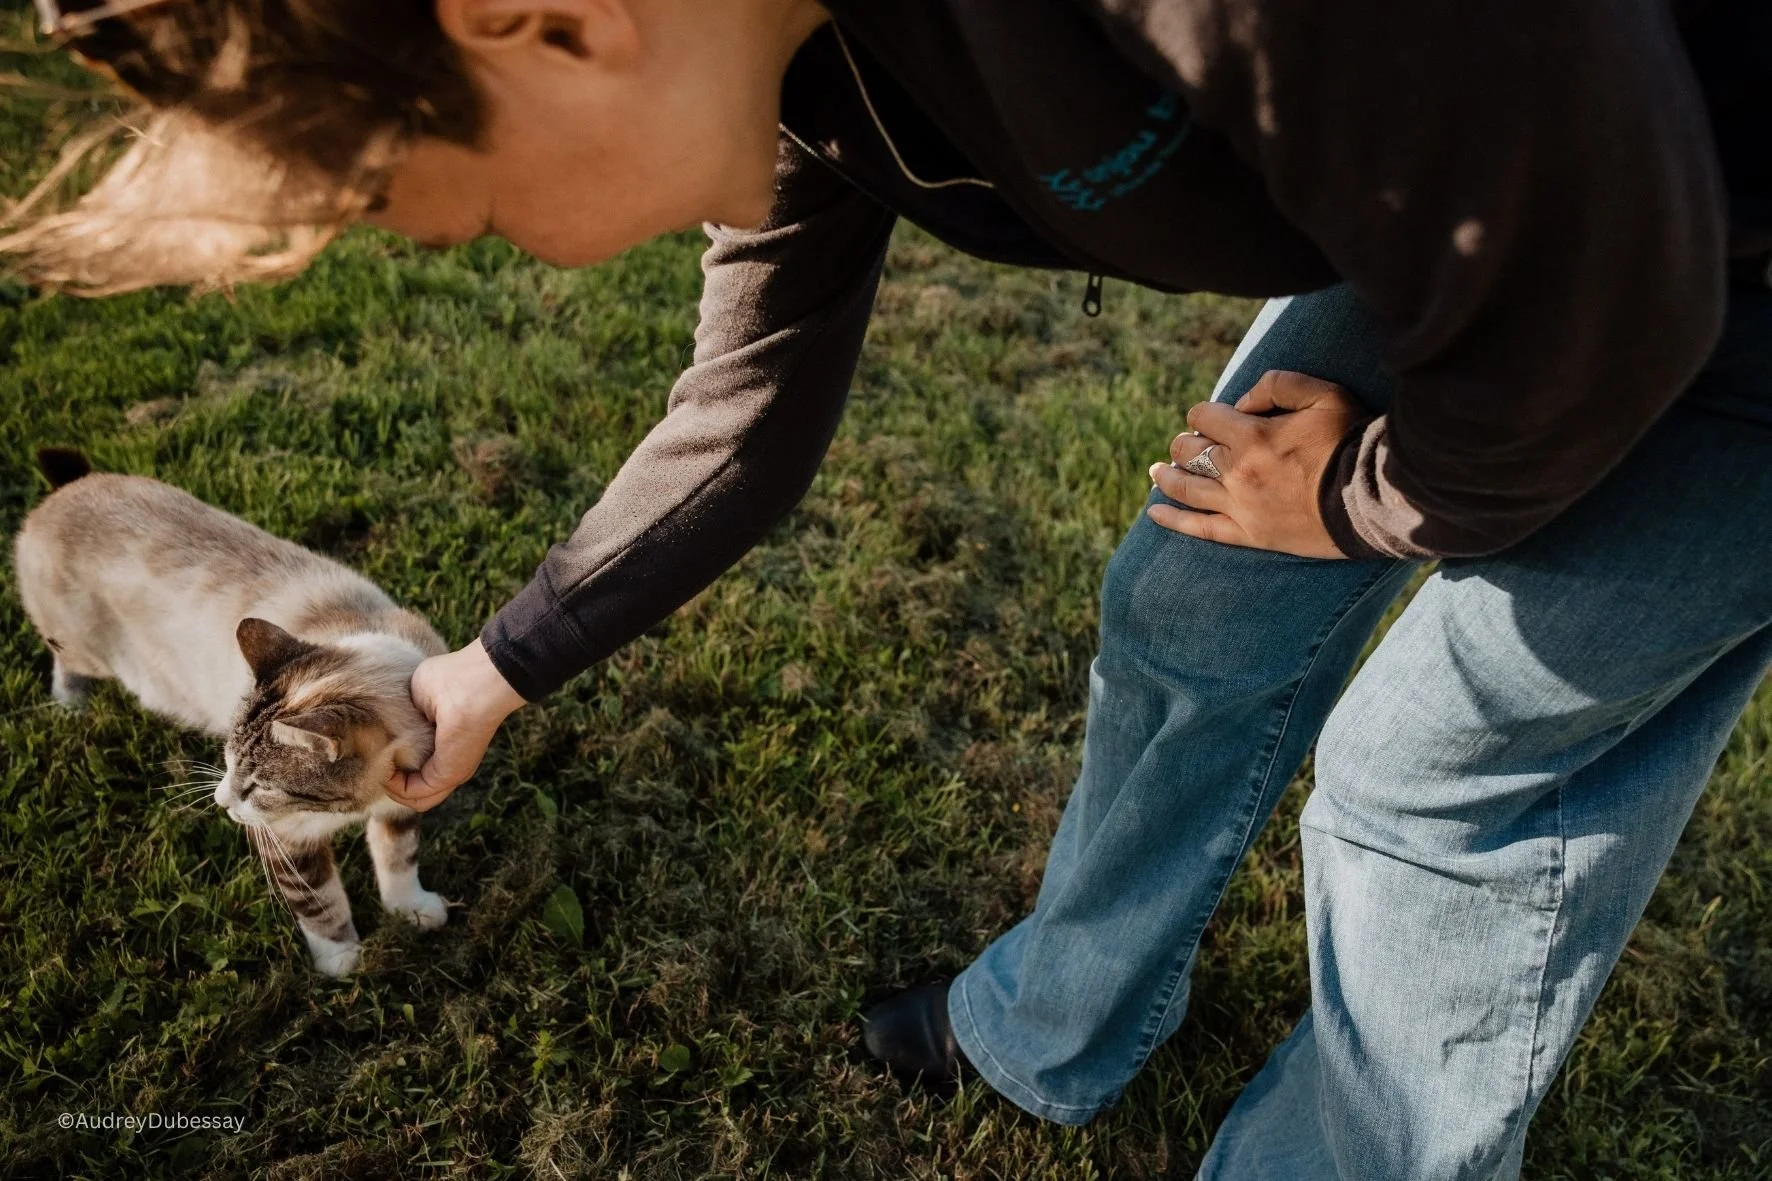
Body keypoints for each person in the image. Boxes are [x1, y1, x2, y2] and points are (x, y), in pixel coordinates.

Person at [8, 0, 1768, 1175]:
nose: (494, 248)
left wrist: (1380, 498)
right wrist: (484, 675)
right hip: (1504, 206)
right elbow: (743, 410)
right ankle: (1052, 1033)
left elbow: (1602, 293)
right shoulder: (789, 63)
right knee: (1193, 604)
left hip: (1691, 255)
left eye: (429, 204)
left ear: (542, 18)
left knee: (1437, 785)